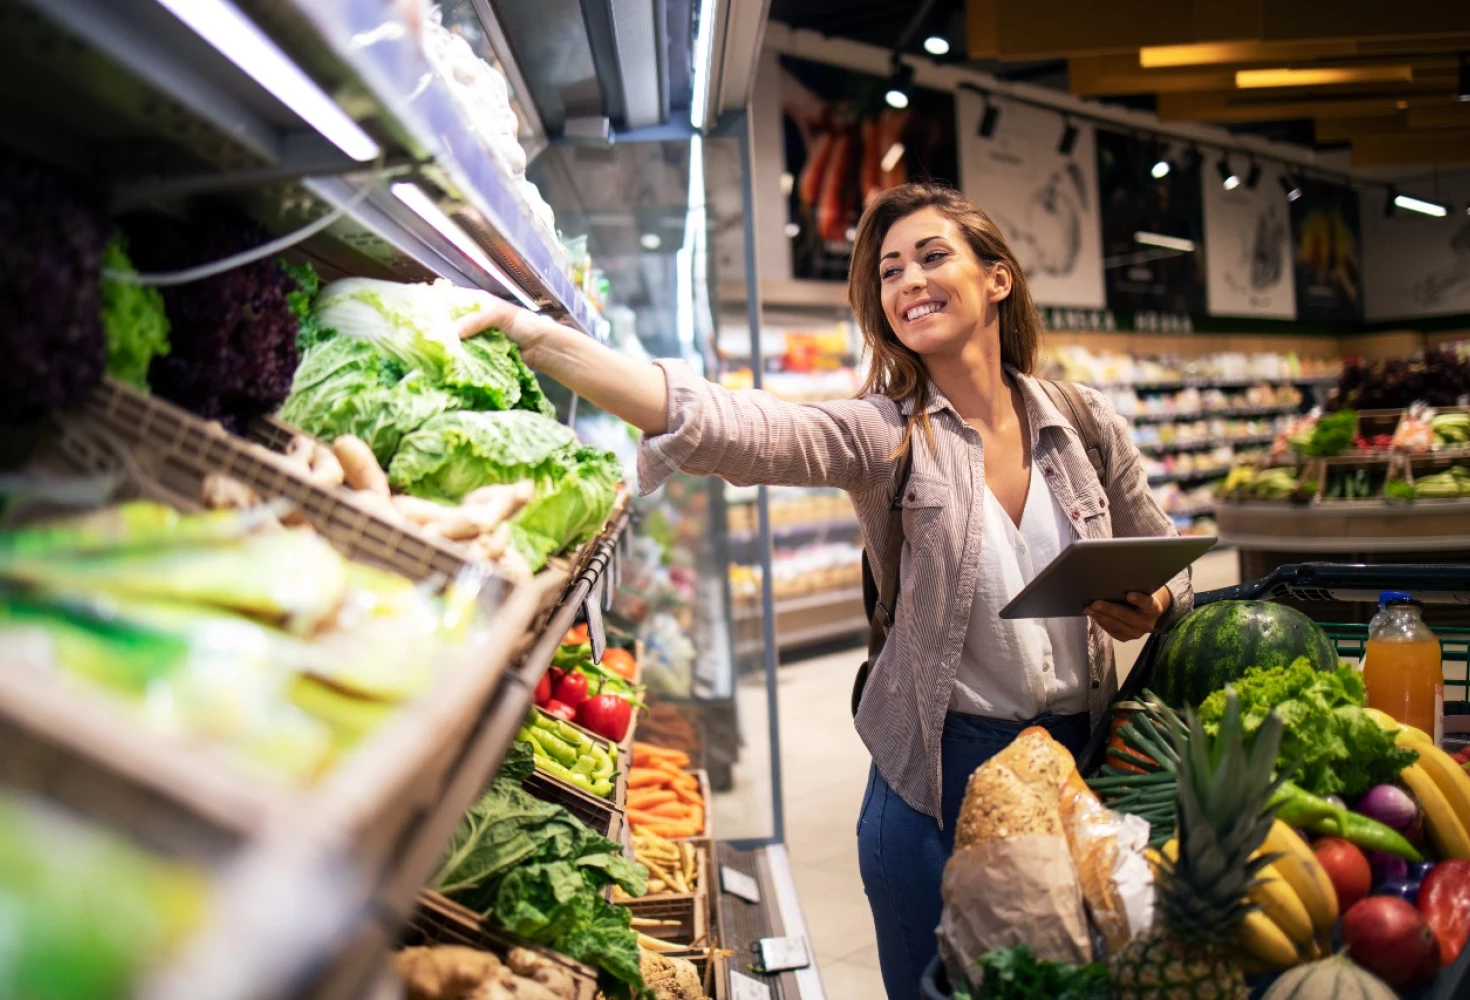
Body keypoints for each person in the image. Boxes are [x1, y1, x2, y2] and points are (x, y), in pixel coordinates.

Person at [461, 182, 1194, 1000]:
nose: (908, 280)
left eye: (931, 256)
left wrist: (1155, 603)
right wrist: (535, 337)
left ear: (997, 279)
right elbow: (742, 429)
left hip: (1079, 766)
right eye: (889, 271)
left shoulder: (1084, 424)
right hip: (937, 778)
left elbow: (1167, 560)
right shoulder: (887, 432)